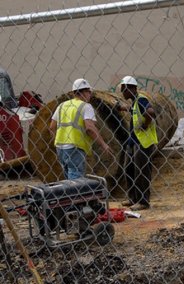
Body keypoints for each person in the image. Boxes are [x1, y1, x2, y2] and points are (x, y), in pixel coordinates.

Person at [49, 78, 111, 179]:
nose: (90, 95)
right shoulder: (86, 106)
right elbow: (90, 128)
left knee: (68, 177)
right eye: (89, 92)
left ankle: (69, 194)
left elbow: (51, 127)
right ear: (84, 92)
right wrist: (103, 144)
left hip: (60, 148)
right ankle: (73, 195)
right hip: (75, 147)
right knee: (76, 179)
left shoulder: (62, 106)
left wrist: (57, 141)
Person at [117, 75, 158, 211]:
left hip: (143, 142)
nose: (122, 92)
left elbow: (150, 112)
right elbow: (134, 110)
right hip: (133, 141)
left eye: (124, 89)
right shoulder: (135, 101)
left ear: (132, 88)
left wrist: (146, 124)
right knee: (128, 168)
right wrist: (124, 108)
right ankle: (133, 198)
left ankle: (143, 201)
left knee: (141, 172)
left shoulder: (141, 100)